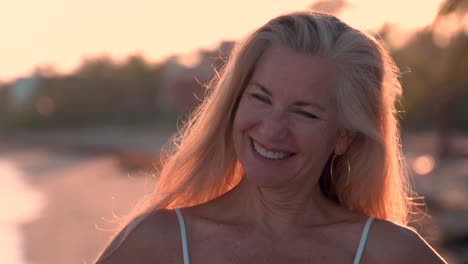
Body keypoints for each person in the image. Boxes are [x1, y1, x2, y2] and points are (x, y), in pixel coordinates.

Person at [95, 11, 446, 263]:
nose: (272, 128)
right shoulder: (157, 243)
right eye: (260, 98)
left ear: (345, 136)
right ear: (234, 104)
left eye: (305, 112)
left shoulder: (389, 253)